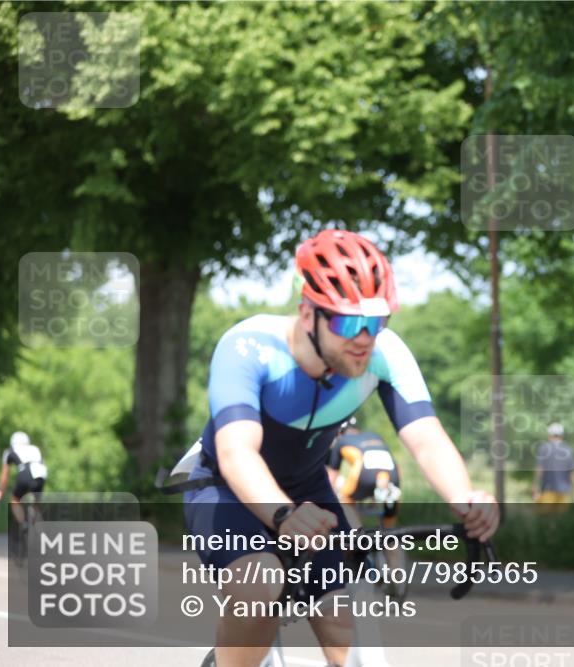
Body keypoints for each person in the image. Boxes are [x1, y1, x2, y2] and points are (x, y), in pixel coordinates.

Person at [181, 229, 499, 667]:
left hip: (310, 493)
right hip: (226, 489)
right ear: (308, 314)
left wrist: (468, 499)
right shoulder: (249, 347)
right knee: (259, 587)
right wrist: (283, 515)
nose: (364, 338)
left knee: (348, 632)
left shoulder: (384, 355)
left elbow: (425, 437)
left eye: (377, 322)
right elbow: (238, 453)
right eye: (349, 322)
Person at [326, 418, 401, 528]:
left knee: (345, 498)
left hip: (364, 474)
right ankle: (391, 539)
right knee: (389, 528)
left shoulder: (341, 440)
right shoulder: (374, 436)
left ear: (339, 432)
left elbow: (331, 477)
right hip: (393, 475)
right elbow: (394, 465)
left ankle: (358, 536)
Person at [0, 431, 48, 525]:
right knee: (36, 504)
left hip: (25, 472)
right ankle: (38, 527)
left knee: (15, 500)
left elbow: (5, 476)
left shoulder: (10, 451)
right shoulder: (35, 448)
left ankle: (24, 525)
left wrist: (0, 490)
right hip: (41, 474)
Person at [532, 423, 574, 506]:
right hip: (565, 491)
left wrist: (535, 485)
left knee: (546, 516)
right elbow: (572, 474)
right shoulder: (569, 449)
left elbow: (540, 469)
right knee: (562, 517)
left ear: (550, 435)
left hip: (548, 489)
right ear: (562, 436)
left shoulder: (544, 448)